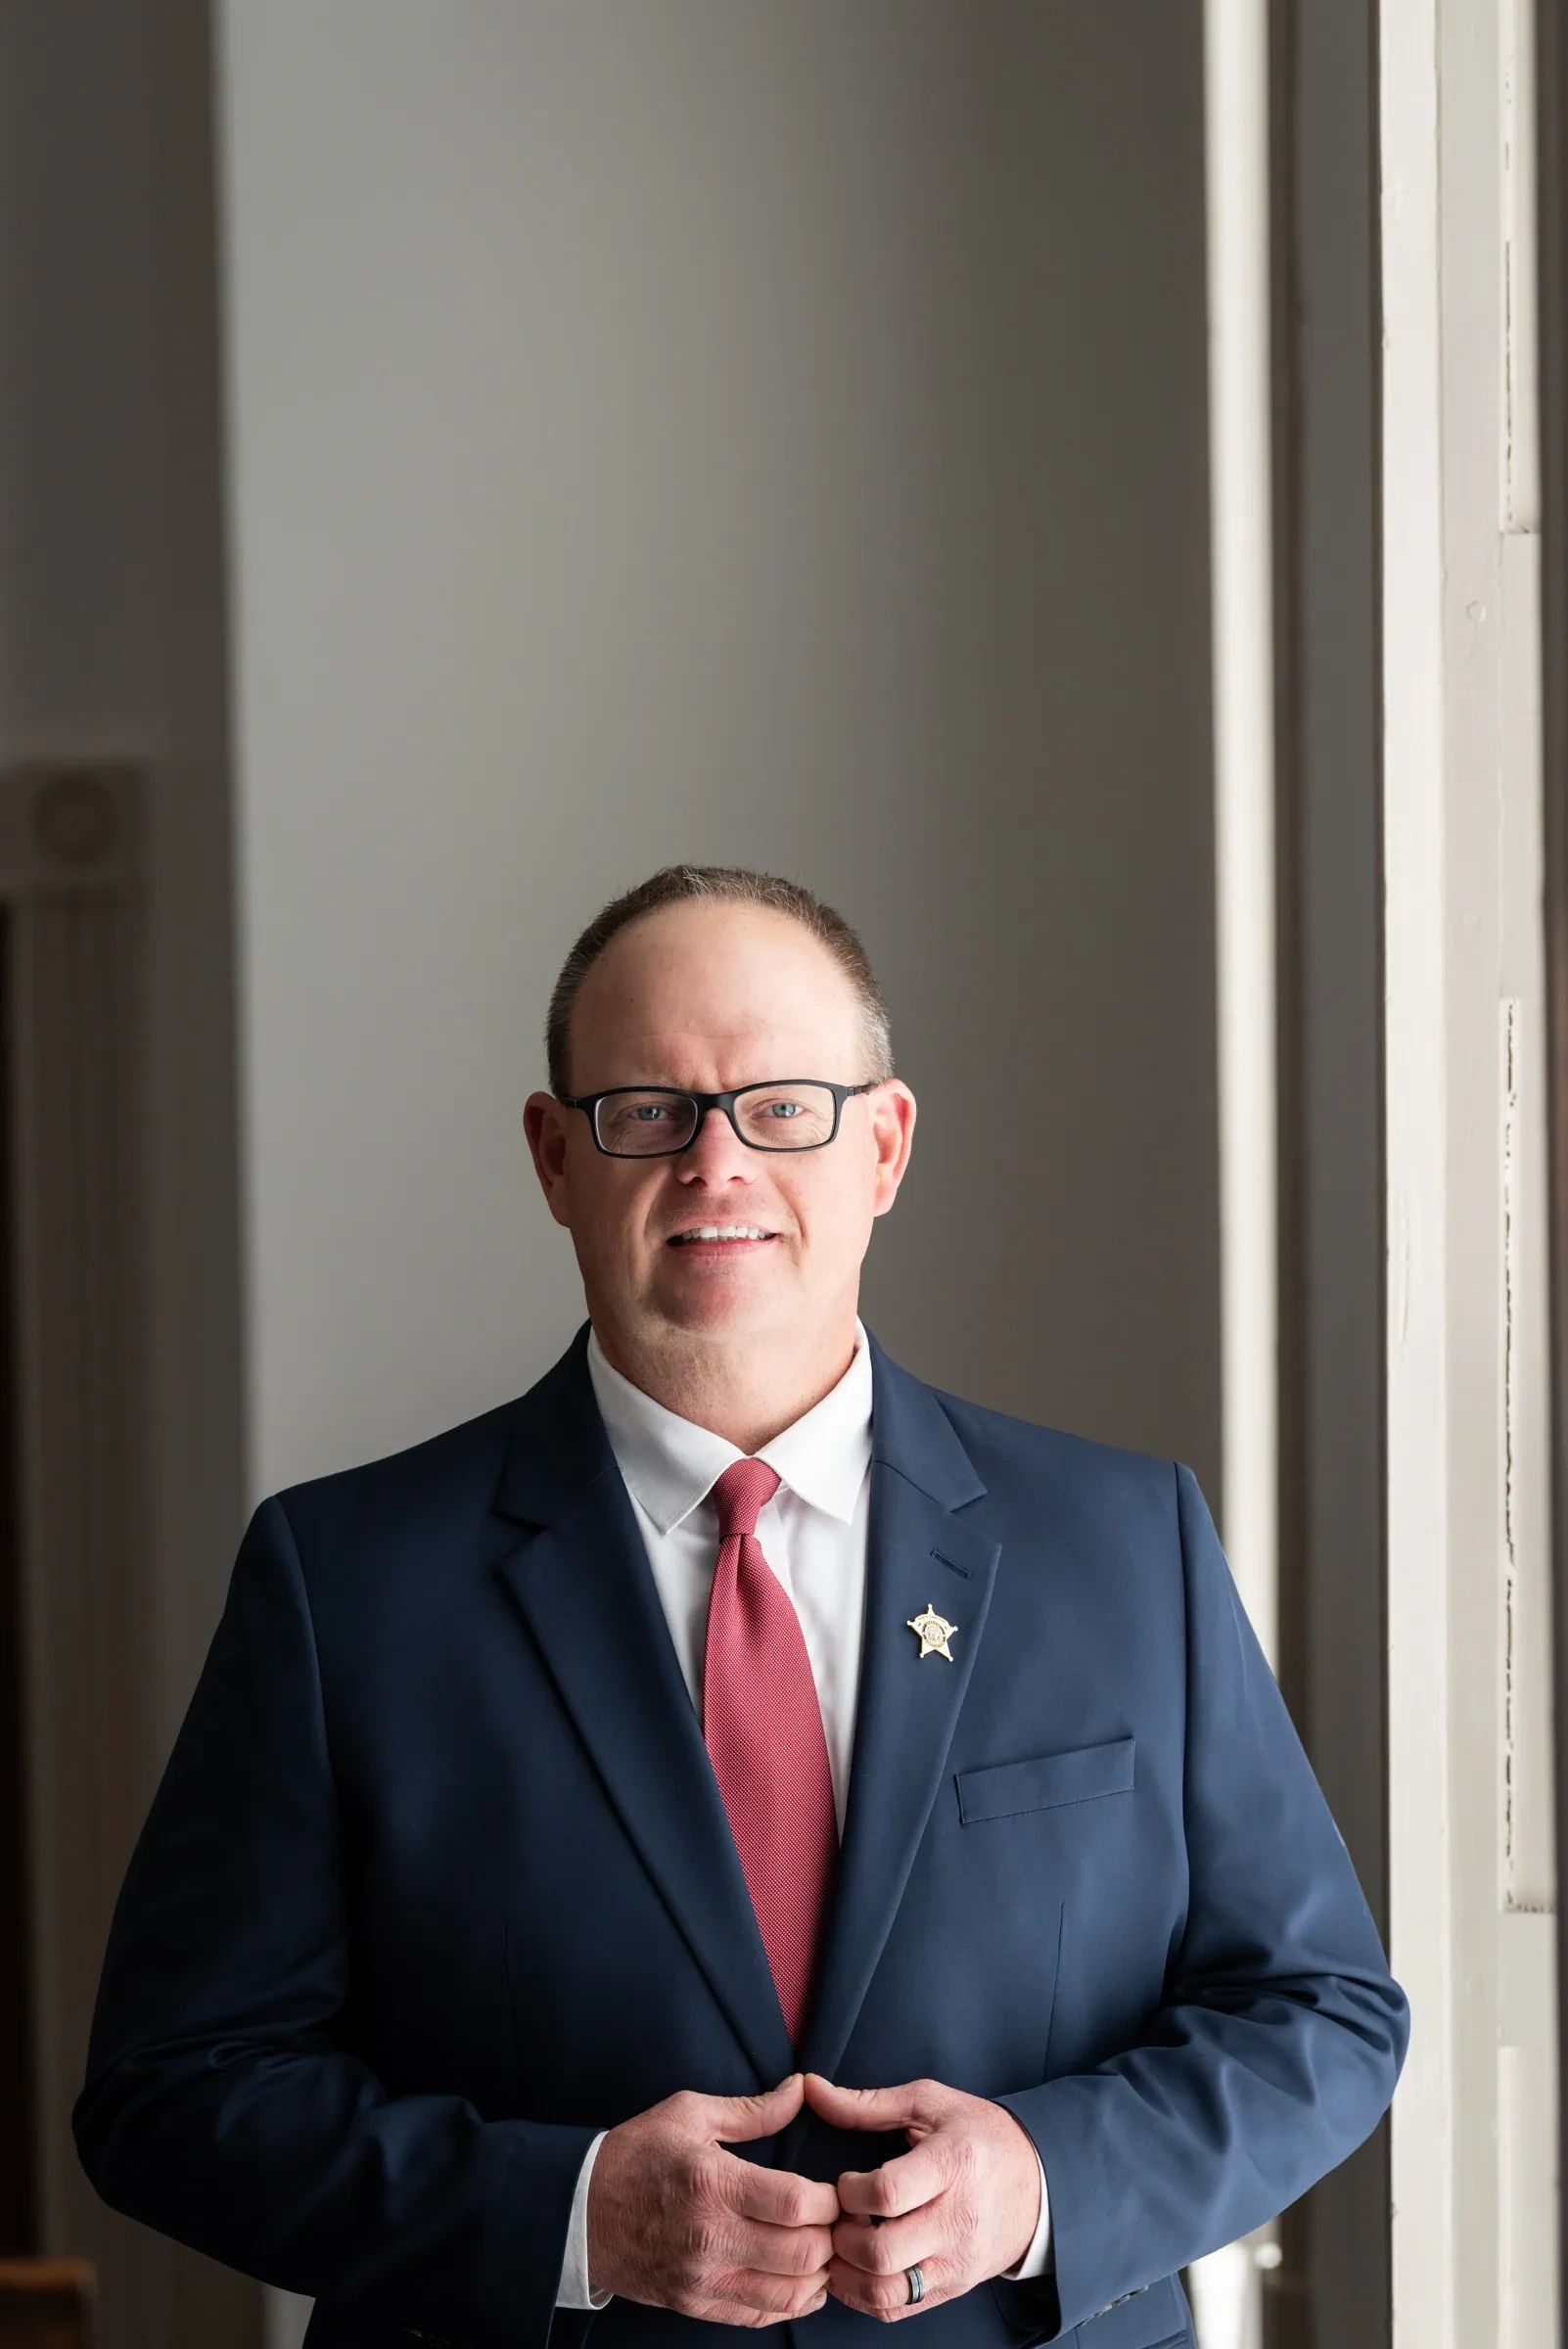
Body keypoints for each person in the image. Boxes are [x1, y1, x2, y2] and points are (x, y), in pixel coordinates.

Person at [72, 863, 1408, 2349]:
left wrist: (1044, 2185)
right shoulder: (346, 1581)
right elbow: (171, 2092)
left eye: (783, 1107)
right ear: (554, 1159)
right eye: (648, 1111)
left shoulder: (1123, 1543)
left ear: (883, 1145)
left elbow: (1320, 2013)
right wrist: (572, 2214)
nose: (717, 1164)